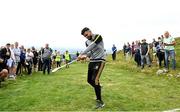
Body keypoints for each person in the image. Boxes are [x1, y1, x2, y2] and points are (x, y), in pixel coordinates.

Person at [78, 27, 106, 109]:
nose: (86, 37)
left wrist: (81, 54)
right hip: (92, 61)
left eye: (86, 34)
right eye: (84, 36)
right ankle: (98, 88)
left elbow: (92, 46)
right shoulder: (87, 42)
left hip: (100, 60)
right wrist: (84, 56)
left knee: (95, 80)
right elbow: (90, 52)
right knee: (89, 80)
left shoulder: (98, 36)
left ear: (89, 31)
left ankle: (100, 101)